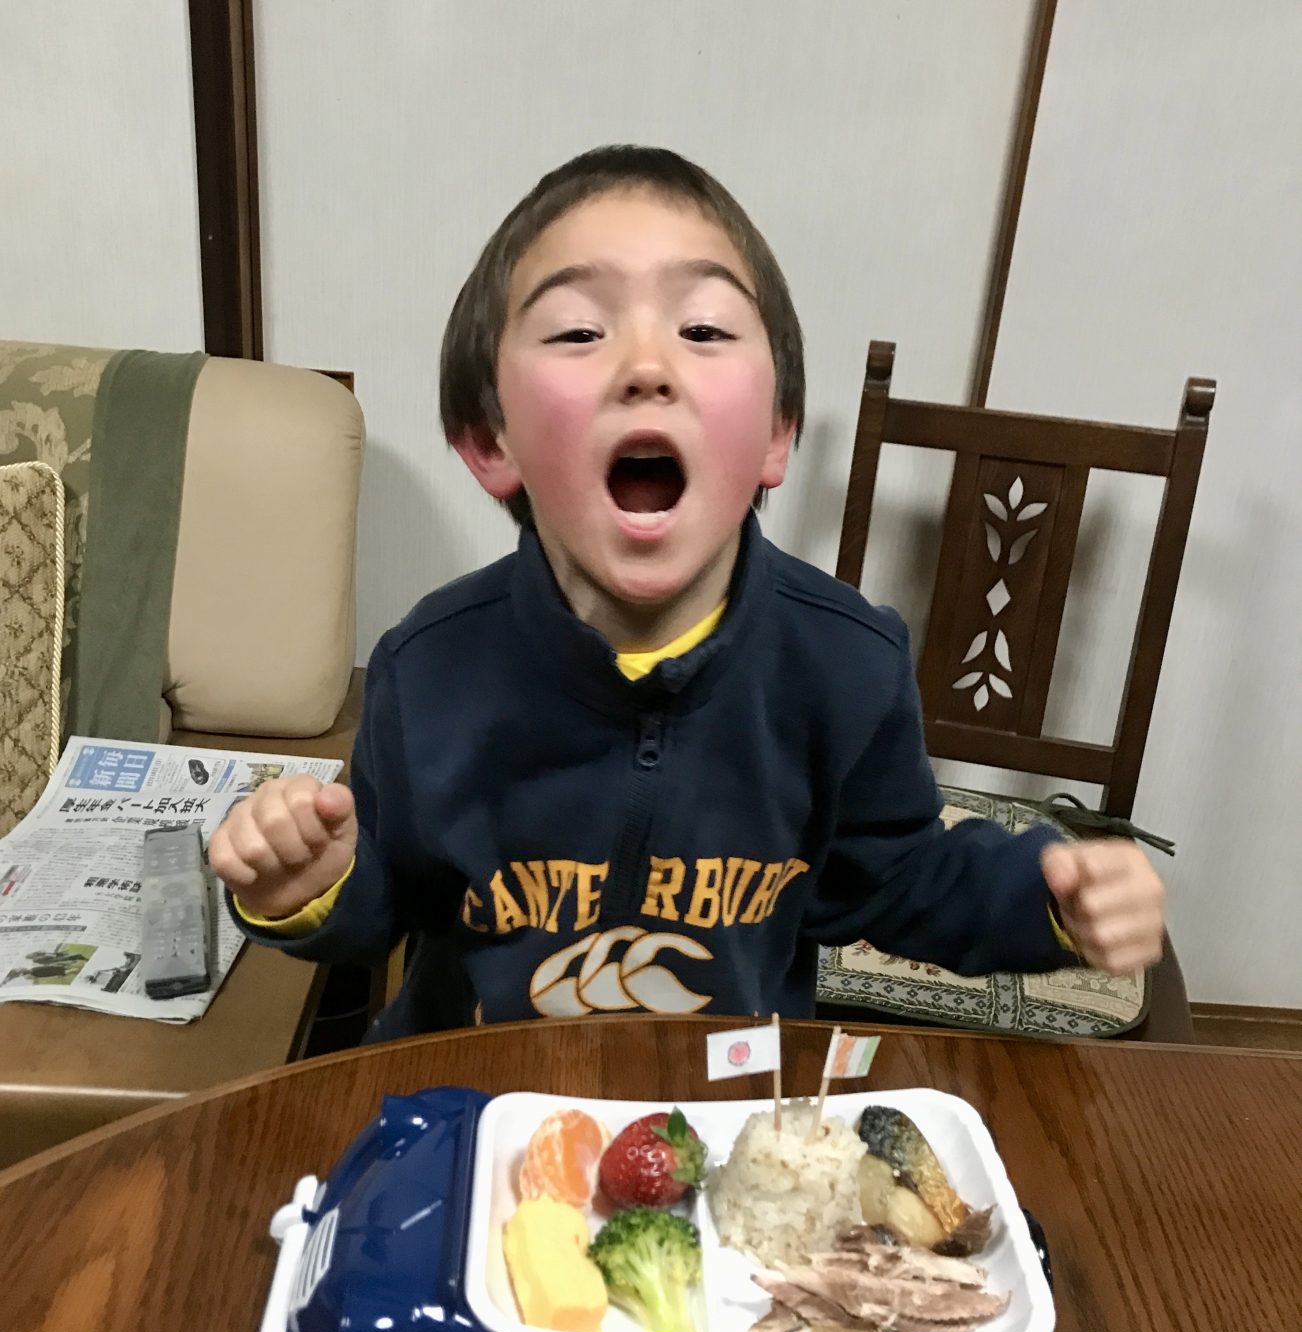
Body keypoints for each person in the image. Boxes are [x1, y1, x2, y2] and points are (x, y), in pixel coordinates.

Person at [209, 146, 1165, 1039]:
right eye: (579, 330)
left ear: (777, 434)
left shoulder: (847, 664)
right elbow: (386, 902)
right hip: (480, 1107)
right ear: (490, 440)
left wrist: (1050, 898)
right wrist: (313, 883)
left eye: (703, 329)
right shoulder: (427, 666)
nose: (646, 367)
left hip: (721, 1112)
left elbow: (902, 880)